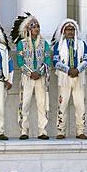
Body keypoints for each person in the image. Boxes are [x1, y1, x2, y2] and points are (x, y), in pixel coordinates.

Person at [12, 12, 52, 140]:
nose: (37, 29)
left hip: (41, 77)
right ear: (28, 29)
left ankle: (42, 131)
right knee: (25, 103)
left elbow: (47, 60)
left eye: (38, 26)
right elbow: (20, 61)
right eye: (34, 27)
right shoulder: (21, 44)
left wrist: (39, 72)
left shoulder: (44, 43)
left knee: (42, 103)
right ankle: (24, 131)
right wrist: (30, 73)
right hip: (27, 77)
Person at [52, 18, 87, 139]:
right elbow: (55, 61)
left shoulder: (82, 44)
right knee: (62, 104)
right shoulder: (59, 45)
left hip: (78, 77)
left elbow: (86, 59)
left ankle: (80, 131)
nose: (70, 32)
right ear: (63, 31)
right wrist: (68, 70)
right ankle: (60, 131)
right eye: (67, 29)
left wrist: (77, 70)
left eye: (72, 29)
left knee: (80, 105)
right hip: (64, 78)